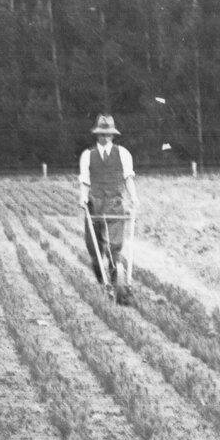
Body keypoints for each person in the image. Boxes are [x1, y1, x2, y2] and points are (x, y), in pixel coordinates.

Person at [78, 113, 137, 305]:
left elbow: (128, 178)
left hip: (114, 205)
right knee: (94, 251)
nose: (105, 138)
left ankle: (118, 283)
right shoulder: (87, 155)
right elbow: (85, 181)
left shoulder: (123, 154)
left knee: (113, 247)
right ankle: (103, 280)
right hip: (94, 205)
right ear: (97, 135)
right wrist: (83, 196)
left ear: (113, 135)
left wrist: (134, 197)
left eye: (108, 134)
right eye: (101, 134)